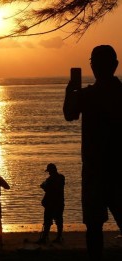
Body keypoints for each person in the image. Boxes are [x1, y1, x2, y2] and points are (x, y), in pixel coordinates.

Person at [63, 45, 122, 260]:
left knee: (94, 228)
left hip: (95, 173)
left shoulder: (88, 95)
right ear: (115, 65)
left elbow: (69, 114)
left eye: (95, 64)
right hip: (116, 171)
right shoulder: (116, 93)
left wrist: (70, 92)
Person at [36, 163, 65, 244]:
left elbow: (49, 190)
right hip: (60, 202)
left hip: (51, 203)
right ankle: (59, 237)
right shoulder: (61, 177)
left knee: (47, 221)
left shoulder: (50, 179)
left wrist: (43, 186)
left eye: (49, 171)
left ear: (51, 171)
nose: (48, 173)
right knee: (59, 220)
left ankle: (45, 238)